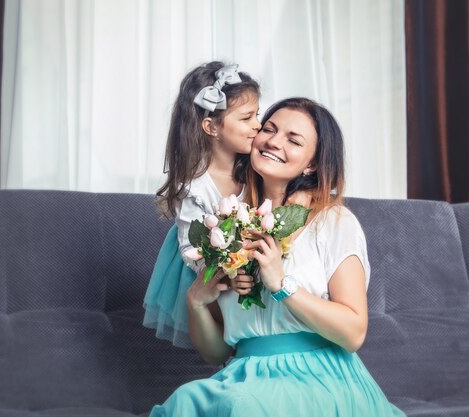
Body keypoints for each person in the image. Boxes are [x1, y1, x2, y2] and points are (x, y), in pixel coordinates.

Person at [149, 98, 406, 416]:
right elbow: (218, 352)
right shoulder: (227, 225)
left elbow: (353, 332)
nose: (273, 141)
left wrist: (281, 284)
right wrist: (197, 301)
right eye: (268, 129)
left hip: (319, 378)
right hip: (244, 375)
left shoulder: (333, 222)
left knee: (239, 407)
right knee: (187, 401)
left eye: (293, 139)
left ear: (312, 163)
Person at [143, 61, 261, 348]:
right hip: (210, 270)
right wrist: (230, 272)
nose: (258, 125)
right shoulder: (195, 187)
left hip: (252, 266)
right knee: (226, 330)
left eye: (257, 114)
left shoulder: (255, 169)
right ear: (211, 127)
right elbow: (191, 250)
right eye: (246, 118)